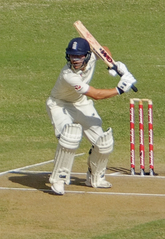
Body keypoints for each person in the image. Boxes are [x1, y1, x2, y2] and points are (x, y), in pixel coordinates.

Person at [45, 37, 138, 195]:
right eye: (72, 56)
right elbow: (96, 95)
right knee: (70, 137)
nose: (75, 60)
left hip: (80, 102)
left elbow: (103, 48)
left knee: (104, 141)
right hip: (59, 104)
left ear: (87, 56)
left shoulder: (92, 57)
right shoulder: (69, 74)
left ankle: (96, 178)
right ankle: (59, 179)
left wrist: (112, 65)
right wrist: (120, 89)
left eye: (79, 56)